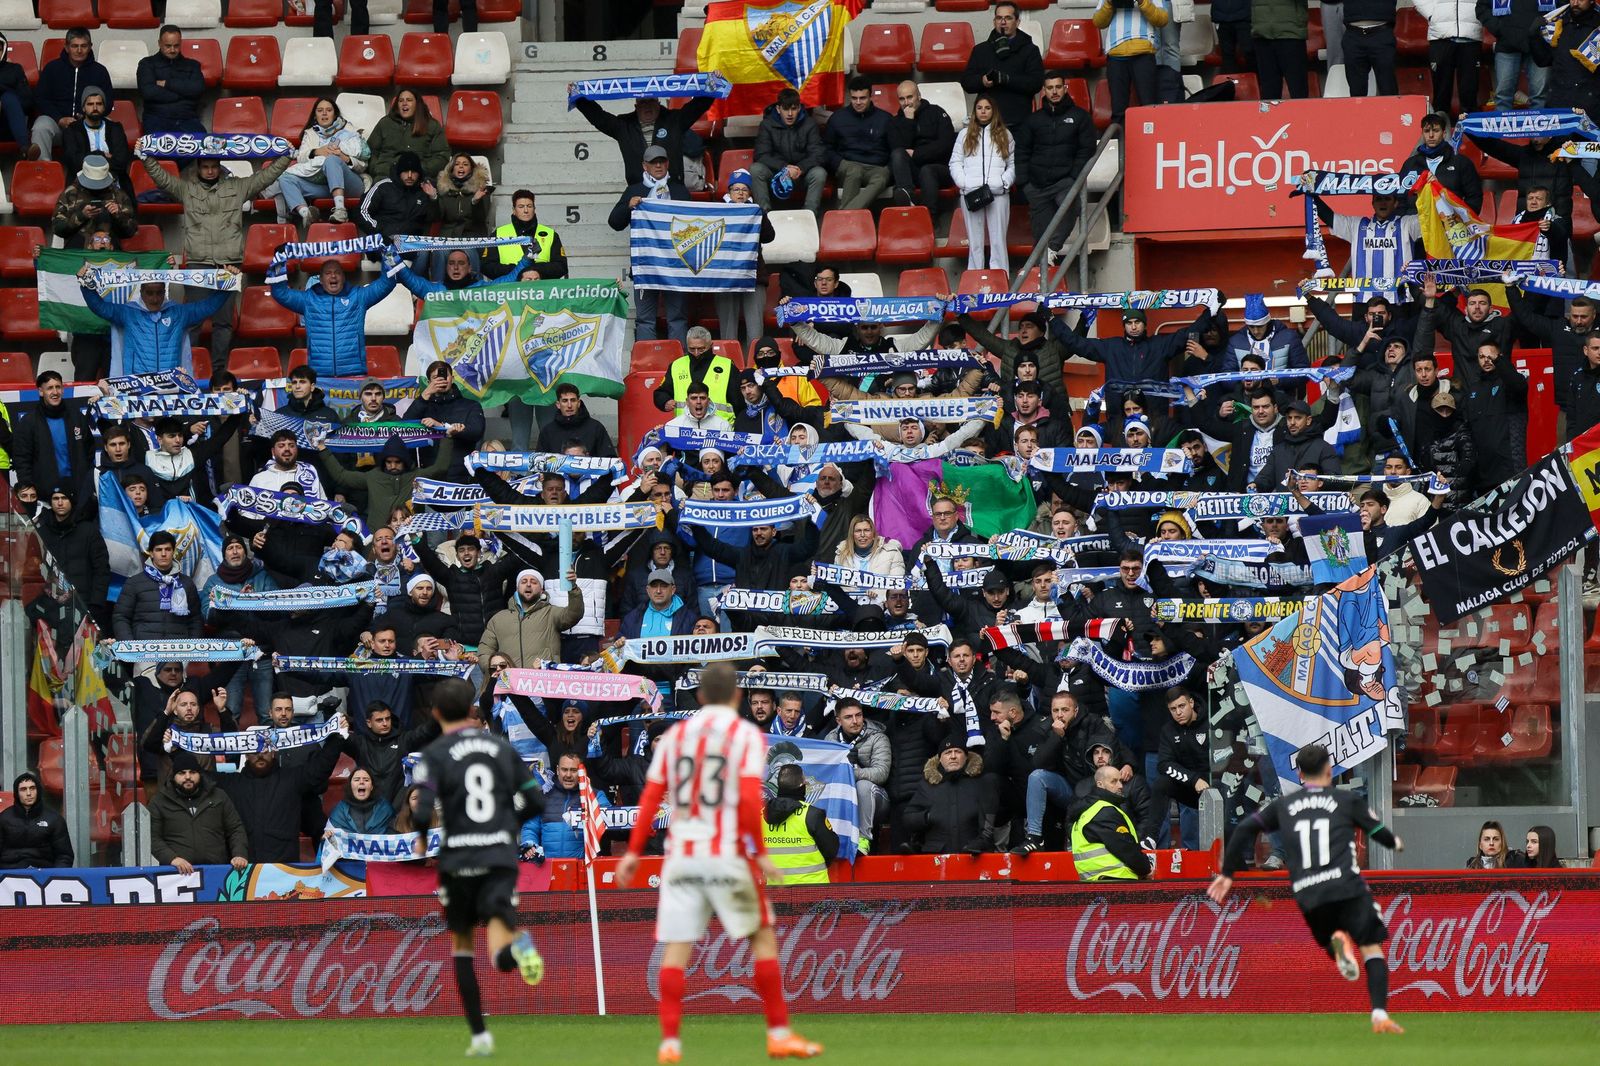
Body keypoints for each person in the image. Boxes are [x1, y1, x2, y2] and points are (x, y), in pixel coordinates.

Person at [615, 662, 824, 1062]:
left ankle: (670, 1042)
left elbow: (649, 799)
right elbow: (748, 798)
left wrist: (632, 852)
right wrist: (760, 853)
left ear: (698, 697)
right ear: (736, 697)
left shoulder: (675, 737)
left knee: (676, 949)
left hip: (682, 857)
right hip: (725, 854)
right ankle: (779, 1034)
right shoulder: (743, 734)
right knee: (762, 939)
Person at [1209, 742, 1407, 1034]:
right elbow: (1375, 829)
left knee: (1329, 937)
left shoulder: (1284, 806)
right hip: (1346, 886)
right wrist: (1394, 843)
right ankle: (1379, 1013)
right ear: (1329, 769)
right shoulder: (1345, 800)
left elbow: (1243, 829)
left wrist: (1227, 874)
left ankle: (1336, 945)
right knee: (1371, 948)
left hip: (1308, 892)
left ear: (1300, 774)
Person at [409, 677, 545, 1056]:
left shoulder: (434, 753)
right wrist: (506, 825)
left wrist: (421, 836)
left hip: (458, 860)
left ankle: (480, 1037)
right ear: (472, 708)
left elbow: (420, 808)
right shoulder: (499, 747)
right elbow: (534, 800)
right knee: (499, 948)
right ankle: (517, 947)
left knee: (463, 946)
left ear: (436, 714)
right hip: (499, 857)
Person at [140, 148, 292, 358]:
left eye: (213, 167)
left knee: (223, 322)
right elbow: (163, 179)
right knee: (193, 321)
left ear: (219, 168)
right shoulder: (187, 189)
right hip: (197, 263)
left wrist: (286, 157)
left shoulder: (237, 187)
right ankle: (189, 370)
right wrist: (145, 157)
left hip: (228, 265)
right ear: (199, 169)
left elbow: (265, 177)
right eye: (206, 167)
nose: (210, 171)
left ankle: (219, 374)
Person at [79, 265, 233, 379]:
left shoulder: (178, 313)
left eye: (159, 293)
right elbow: (100, 307)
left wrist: (229, 283)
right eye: (150, 293)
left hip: (171, 382)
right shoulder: (128, 313)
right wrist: (86, 285)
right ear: (141, 292)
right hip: (138, 384)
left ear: (164, 291)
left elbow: (208, 307)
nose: (154, 298)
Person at [610, 146, 691, 345]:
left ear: (668, 163)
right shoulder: (635, 190)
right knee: (645, 319)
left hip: (676, 265)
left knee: (677, 317)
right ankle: (647, 363)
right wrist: (628, 205)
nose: (658, 165)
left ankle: (679, 364)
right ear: (644, 166)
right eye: (653, 162)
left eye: (662, 161)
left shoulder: (679, 190)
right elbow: (614, 222)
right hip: (645, 265)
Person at [269, 258, 401, 379]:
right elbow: (280, 292)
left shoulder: (358, 296)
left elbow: (387, 283)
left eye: (337, 272)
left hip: (353, 373)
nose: (333, 275)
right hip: (319, 375)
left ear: (343, 278)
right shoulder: (308, 300)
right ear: (320, 279)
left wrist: (388, 255)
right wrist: (279, 263)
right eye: (328, 273)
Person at [1016, 72, 1096, 268]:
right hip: (1037, 185)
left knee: (1071, 207)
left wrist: (1074, 176)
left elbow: (1087, 149)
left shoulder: (1079, 117)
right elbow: (1022, 150)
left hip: (1064, 181)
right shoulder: (1033, 120)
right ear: (1044, 90)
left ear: (1065, 88)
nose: (1054, 92)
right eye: (1050, 88)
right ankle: (1040, 292)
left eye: (1058, 87)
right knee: (1040, 239)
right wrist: (1025, 183)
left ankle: (1053, 247)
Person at [572, 87, 715, 186]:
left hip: (672, 187)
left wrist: (713, 85)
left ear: (658, 103)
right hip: (638, 189)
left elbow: (698, 106)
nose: (647, 106)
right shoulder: (623, 125)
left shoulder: (675, 120)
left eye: (651, 101)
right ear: (636, 105)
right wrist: (579, 98)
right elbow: (599, 118)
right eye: (642, 102)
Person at [149, 751, 250, 874]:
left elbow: (235, 829)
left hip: (216, 872)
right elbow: (152, 837)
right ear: (173, 776)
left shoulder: (219, 796)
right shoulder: (159, 801)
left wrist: (239, 854)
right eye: (182, 773)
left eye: (192, 772)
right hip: (175, 874)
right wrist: (172, 858)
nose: (187, 777)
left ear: (200, 774)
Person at [278, 97, 369, 228]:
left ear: (335, 114)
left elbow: (364, 165)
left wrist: (344, 158)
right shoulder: (310, 133)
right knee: (285, 179)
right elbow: (301, 158)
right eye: (320, 110)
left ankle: (340, 210)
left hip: (350, 184)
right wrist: (317, 151)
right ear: (315, 115)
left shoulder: (349, 130)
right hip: (325, 186)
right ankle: (307, 215)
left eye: (328, 110)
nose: (324, 113)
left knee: (331, 160)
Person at [949, 94, 1015, 273]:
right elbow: (955, 162)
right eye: (979, 108)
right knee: (975, 242)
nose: (983, 112)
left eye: (987, 108)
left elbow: (1012, 164)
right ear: (974, 111)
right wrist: (964, 183)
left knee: (998, 241)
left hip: (998, 194)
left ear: (993, 111)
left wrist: (1003, 183)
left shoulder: (1004, 134)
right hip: (971, 193)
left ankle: (1000, 283)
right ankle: (975, 281)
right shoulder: (964, 134)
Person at [903, 737, 1001, 855]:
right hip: (936, 857)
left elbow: (1001, 814)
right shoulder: (928, 785)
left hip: (973, 854)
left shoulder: (981, 782)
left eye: (958, 752)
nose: (953, 756)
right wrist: (928, 816)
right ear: (940, 759)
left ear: (966, 757)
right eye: (948, 752)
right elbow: (908, 819)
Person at [30, 27, 112, 163]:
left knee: (110, 127)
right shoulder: (52, 68)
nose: (79, 50)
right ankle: (43, 172)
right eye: (74, 46)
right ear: (67, 47)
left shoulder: (100, 71)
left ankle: (103, 173)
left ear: (90, 47)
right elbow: (40, 98)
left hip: (89, 124)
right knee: (41, 126)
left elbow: (108, 101)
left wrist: (88, 116)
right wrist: (59, 119)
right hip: (57, 124)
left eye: (84, 46)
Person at [11, 372, 95, 502]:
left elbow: (89, 451)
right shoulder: (28, 421)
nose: (55, 392)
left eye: (58, 387)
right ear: (40, 391)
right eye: (50, 388)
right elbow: (22, 458)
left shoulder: (76, 417)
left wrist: (87, 481)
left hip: (78, 492)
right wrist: (27, 485)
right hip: (44, 495)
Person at [960, 2, 1045, 128]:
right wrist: (982, 81)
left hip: (1019, 122)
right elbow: (967, 82)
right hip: (987, 124)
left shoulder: (1030, 50)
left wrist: (1007, 79)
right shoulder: (980, 50)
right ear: (994, 21)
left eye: (1008, 18)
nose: (1003, 22)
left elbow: (1036, 83)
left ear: (1017, 22)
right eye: (999, 18)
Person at [477, 568, 585, 668]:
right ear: (517, 588)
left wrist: (573, 588)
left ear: (542, 589)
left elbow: (574, 614)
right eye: (523, 581)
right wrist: (495, 671)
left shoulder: (551, 613)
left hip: (542, 683)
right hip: (508, 684)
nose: (528, 584)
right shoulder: (498, 619)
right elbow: (484, 651)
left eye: (534, 582)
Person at [358, 152, 440, 274]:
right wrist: (380, 234)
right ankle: (393, 289)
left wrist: (433, 198)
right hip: (383, 242)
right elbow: (362, 212)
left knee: (424, 252)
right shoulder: (384, 186)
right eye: (406, 172)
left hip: (409, 244)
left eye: (414, 172)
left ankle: (414, 289)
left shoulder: (424, 190)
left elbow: (432, 218)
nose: (410, 176)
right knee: (390, 255)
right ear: (399, 172)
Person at [518, 752, 610, 862]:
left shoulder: (595, 797)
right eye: (564, 769)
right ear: (557, 770)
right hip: (547, 870)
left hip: (584, 869)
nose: (568, 775)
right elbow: (530, 828)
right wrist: (530, 845)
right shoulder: (543, 797)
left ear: (582, 771)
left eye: (573, 770)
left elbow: (610, 826)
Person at [1069, 763, 1155, 880]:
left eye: (1120, 781)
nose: (1120, 786)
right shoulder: (1104, 810)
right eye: (1114, 781)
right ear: (1100, 784)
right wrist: (1146, 868)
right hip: (1116, 879)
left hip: (1093, 881)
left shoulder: (1085, 812)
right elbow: (1125, 847)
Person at [751, 87, 828, 215]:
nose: (790, 114)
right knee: (756, 169)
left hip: (801, 175)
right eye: (786, 109)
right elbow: (760, 155)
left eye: (793, 109)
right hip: (777, 174)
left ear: (799, 108)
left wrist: (800, 168)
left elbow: (818, 154)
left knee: (819, 173)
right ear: (778, 109)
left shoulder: (810, 124)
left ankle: (809, 215)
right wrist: (785, 168)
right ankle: (764, 216)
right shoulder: (767, 125)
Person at [1093, 0, 1170, 126]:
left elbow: (1162, 19)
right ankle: (1121, 142)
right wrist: (1109, 3)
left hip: (1143, 53)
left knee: (1148, 106)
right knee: (1118, 110)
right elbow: (1098, 22)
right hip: (1116, 53)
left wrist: (1142, 2)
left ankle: (1149, 142)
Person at [762, 762, 839, 884]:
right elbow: (831, 850)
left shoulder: (762, 815)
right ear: (802, 785)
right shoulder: (813, 815)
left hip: (776, 892)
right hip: (813, 892)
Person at [825, 76, 893, 211]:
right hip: (848, 164)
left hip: (877, 166)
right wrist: (839, 163)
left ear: (870, 96)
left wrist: (888, 169)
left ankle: (844, 215)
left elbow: (894, 149)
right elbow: (827, 147)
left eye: (862, 98)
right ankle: (848, 216)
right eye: (854, 98)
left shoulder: (885, 118)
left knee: (880, 179)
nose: (858, 102)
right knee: (854, 171)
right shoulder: (838, 118)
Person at [887, 81, 956, 211]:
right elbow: (898, 151)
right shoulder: (894, 123)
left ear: (919, 96)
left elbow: (946, 144)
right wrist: (909, 122)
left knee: (927, 170)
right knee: (897, 154)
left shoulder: (937, 112)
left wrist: (917, 154)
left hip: (940, 169)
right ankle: (908, 198)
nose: (906, 102)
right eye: (902, 99)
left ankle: (930, 217)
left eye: (910, 97)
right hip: (912, 172)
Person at [1399, 113, 1482, 213]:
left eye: (1435, 131)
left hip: (1450, 223)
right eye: (1426, 131)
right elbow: (1400, 197)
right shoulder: (1410, 164)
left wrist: (1460, 219)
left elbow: (1474, 197)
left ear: (1444, 133)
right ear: (1422, 134)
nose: (1431, 135)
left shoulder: (1461, 162)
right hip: (1416, 222)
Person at [53, 153, 139, 247]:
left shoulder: (118, 194)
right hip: (77, 253)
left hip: (109, 255)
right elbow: (58, 229)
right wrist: (81, 216)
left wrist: (118, 215)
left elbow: (131, 231)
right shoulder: (70, 193)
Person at [61, 85, 133, 194]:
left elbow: (121, 162)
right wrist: (102, 155)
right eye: (90, 104)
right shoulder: (72, 130)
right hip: (82, 187)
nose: (95, 108)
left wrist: (88, 158)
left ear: (104, 107)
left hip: (113, 185)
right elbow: (73, 162)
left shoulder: (115, 128)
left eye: (99, 104)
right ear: (83, 108)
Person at [1415, 0, 1483, 113]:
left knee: (1469, 92)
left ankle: (1469, 129)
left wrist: (1480, 14)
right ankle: (1441, 127)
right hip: (1440, 36)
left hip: (1471, 35)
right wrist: (1432, 15)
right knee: (1441, 92)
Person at [366, 90, 450, 181]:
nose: (404, 103)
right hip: (385, 177)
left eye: (409, 100)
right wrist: (378, 169)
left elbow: (442, 156)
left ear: (417, 104)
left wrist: (420, 169)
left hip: (419, 180)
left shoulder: (432, 125)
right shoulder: (385, 123)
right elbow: (370, 152)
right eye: (401, 100)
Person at [137, 25, 206, 135]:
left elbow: (198, 89)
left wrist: (167, 84)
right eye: (168, 46)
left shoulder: (192, 65)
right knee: (157, 149)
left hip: (187, 119)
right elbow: (148, 92)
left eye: (176, 46)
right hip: (157, 119)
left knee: (203, 145)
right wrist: (183, 93)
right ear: (159, 43)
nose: (173, 50)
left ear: (181, 43)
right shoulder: (147, 64)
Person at [488, 188, 568, 281]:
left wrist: (536, 270)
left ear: (534, 209)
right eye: (521, 206)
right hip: (509, 290)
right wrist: (519, 272)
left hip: (542, 290)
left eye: (529, 206)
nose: (526, 210)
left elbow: (561, 266)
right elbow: (487, 266)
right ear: (514, 210)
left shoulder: (550, 234)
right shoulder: (498, 233)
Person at [1480, 0, 1547, 108]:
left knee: (1540, 97)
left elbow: (1562, 5)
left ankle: (1540, 125)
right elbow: (1482, 6)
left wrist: (1549, 27)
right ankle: (1503, 125)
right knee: (1503, 96)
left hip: (1540, 43)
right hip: (1506, 44)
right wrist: (1499, 29)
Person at [0, 771, 74, 868]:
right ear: (17, 794)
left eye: (32, 788)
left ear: (38, 791)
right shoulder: (3, 818)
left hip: (43, 876)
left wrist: (55, 877)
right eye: (23, 789)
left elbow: (64, 856)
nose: (28, 793)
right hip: (8, 876)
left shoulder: (54, 819)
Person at [1251, 0, 1311, 99]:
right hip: (1262, 33)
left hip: (1291, 33)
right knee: (1269, 93)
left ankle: (1301, 114)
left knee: (1298, 91)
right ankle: (1271, 115)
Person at [1339, 0, 1399, 97]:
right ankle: (1359, 112)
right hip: (1353, 34)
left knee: (1388, 88)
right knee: (1356, 91)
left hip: (1381, 32)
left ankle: (1391, 111)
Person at [0, 32, 32, 158]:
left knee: (9, 98)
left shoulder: (15, 69)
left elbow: (28, 102)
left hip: (9, 123)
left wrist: (3, 104)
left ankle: (26, 148)